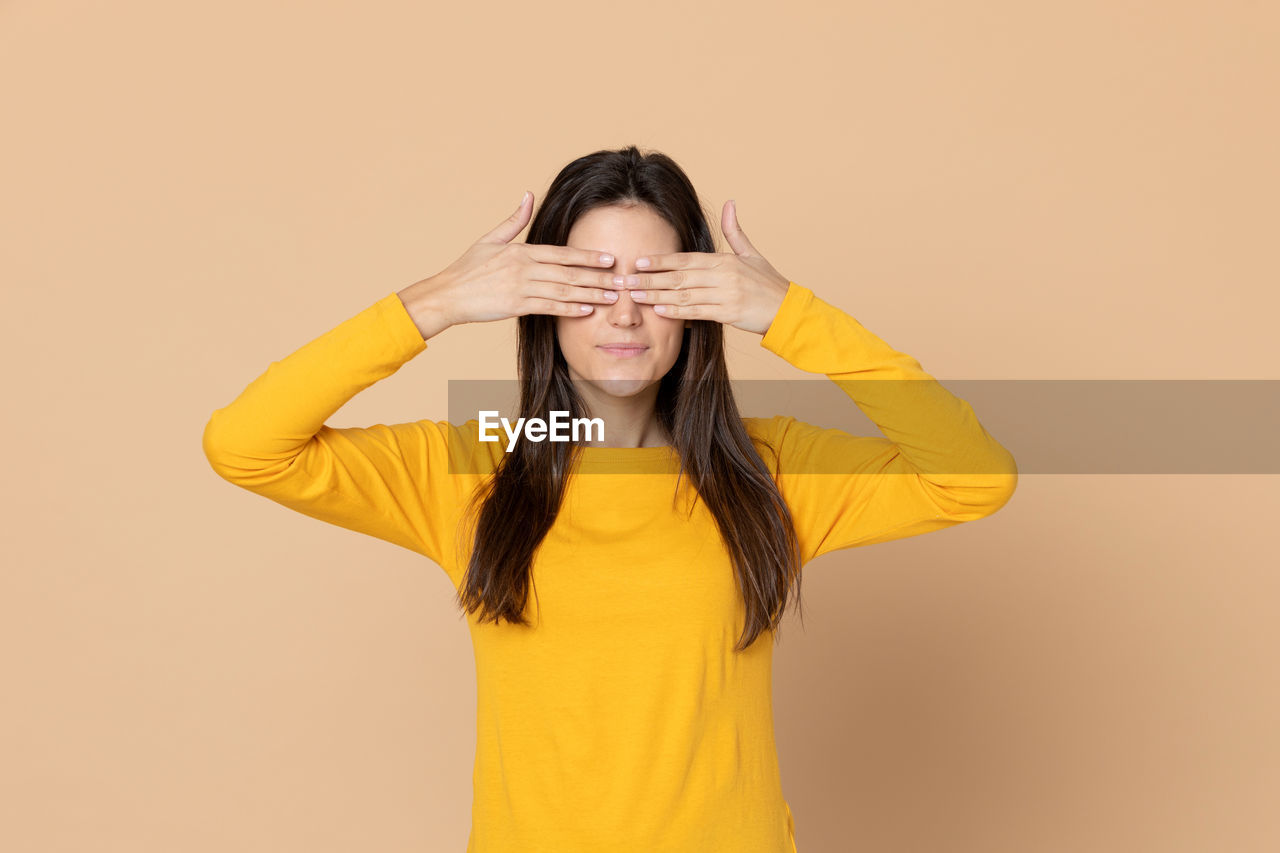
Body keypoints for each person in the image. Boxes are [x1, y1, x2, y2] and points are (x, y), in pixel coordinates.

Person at [202, 145, 1018, 853]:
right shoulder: (473, 464)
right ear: (537, 300)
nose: (624, 313)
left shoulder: (769, 468)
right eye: (588, 282)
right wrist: (438, 302)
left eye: (656, 282)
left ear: (703, 300)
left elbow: (976, 476)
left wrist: (791, 315)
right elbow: (244, 444)